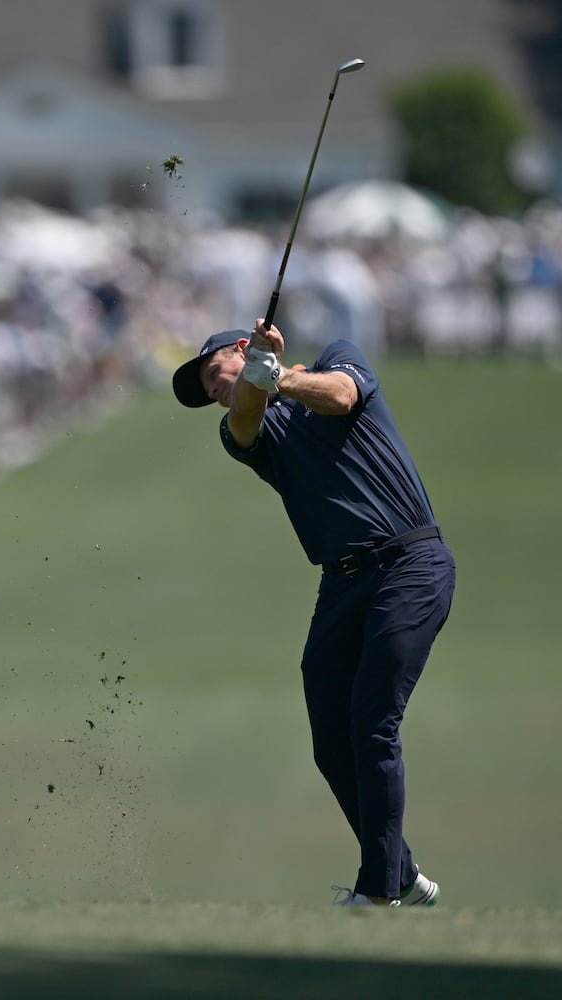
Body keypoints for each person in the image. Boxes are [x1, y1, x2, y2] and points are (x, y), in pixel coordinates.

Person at [172, 321, 456, 907]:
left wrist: (275, 373)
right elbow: (246, 418)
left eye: (212, 375)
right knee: (332, 740)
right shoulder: (244, 429)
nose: (213, 394)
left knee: (373, 725)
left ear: (241, 349)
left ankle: (377, 894)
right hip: (341, 584)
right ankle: (398, 869)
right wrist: (256, 380)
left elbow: (343, 397)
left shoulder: (338, 359)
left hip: (409, 563)